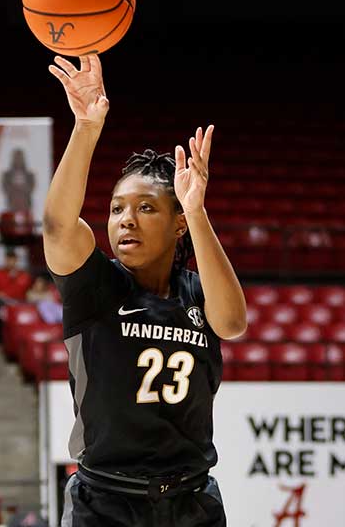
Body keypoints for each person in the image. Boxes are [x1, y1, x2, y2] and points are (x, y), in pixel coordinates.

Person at [44, 54, 246, 527]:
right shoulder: (95, 286)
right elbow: (56, 227)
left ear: (177, 225)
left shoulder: (197, 292)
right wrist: (86, 127)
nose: (125, 219)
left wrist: (196, 211)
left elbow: (233, 324)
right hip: (105, 502)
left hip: (191, 500)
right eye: (116, 209)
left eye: (145, 208)